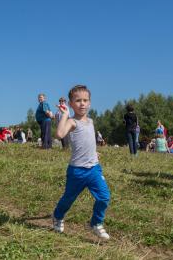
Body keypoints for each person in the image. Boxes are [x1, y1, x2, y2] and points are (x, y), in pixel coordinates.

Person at [52, 85, 111, 240]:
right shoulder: (72, 122)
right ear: (71, 104)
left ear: (90, 103)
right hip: (76, 171)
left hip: (93, 169)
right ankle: (58, 216)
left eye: (85, 100)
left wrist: (94, 152)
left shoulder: (90, 121)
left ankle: (96, 223)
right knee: (68, 199)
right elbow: (59, 134)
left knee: (104, 197)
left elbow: (88, 140)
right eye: (78, 101)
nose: (82, 103)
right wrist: (65, 114)